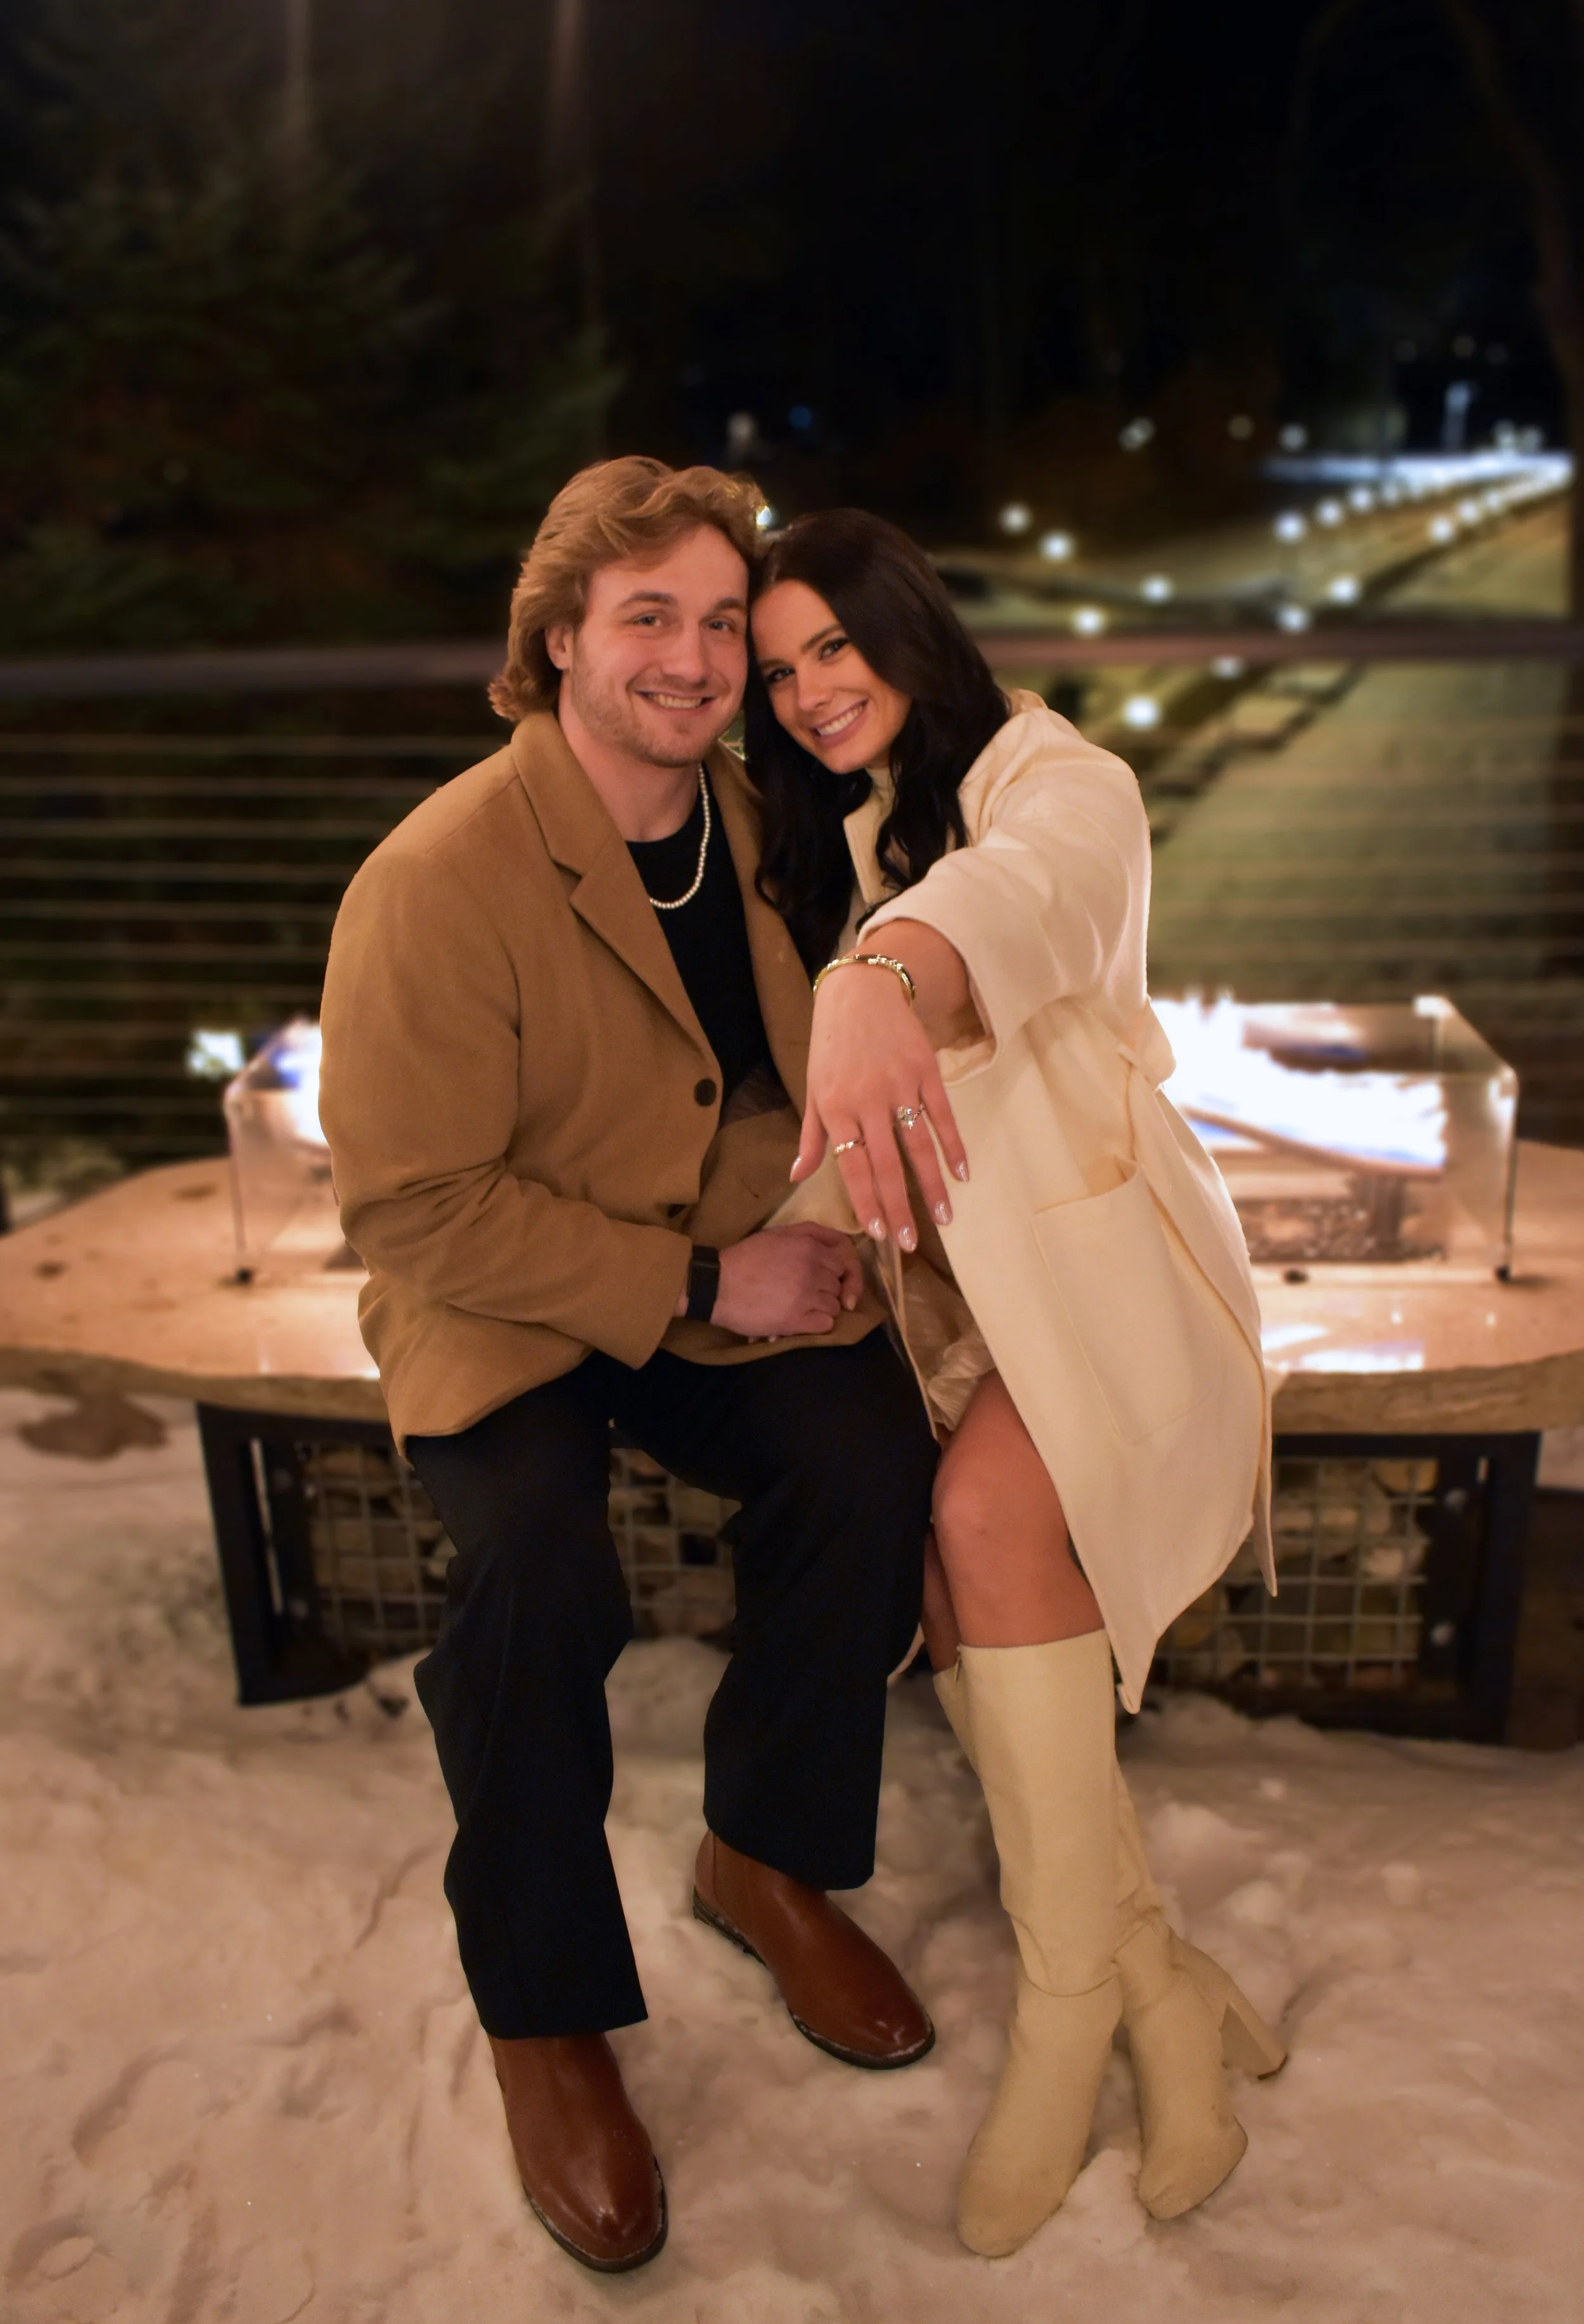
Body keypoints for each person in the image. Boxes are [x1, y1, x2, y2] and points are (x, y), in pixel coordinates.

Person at [318, 461, 938, 2278]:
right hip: (505, 1294)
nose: (692, 655)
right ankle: (544, 2007)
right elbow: (411, 1202)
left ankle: (760, 1849)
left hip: (711, 1266)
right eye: (645, 617)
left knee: (862, 1453)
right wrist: (693, 1271)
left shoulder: (759, 818)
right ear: (560, 639)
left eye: (719, 618)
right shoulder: (431, 878)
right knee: (533, 1568)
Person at [746, 509, 1287, 2257]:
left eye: (834, 642)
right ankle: (1152, 1977)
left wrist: (877, 973)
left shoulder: (1061, 779)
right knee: (943, 1564)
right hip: (975, 1320)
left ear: (908, 624)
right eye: (779, 668)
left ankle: (1065, 2011)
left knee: (981, 1508)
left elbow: (1017, 898)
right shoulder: (829, 827)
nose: (811, 688)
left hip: (1120, 1297)